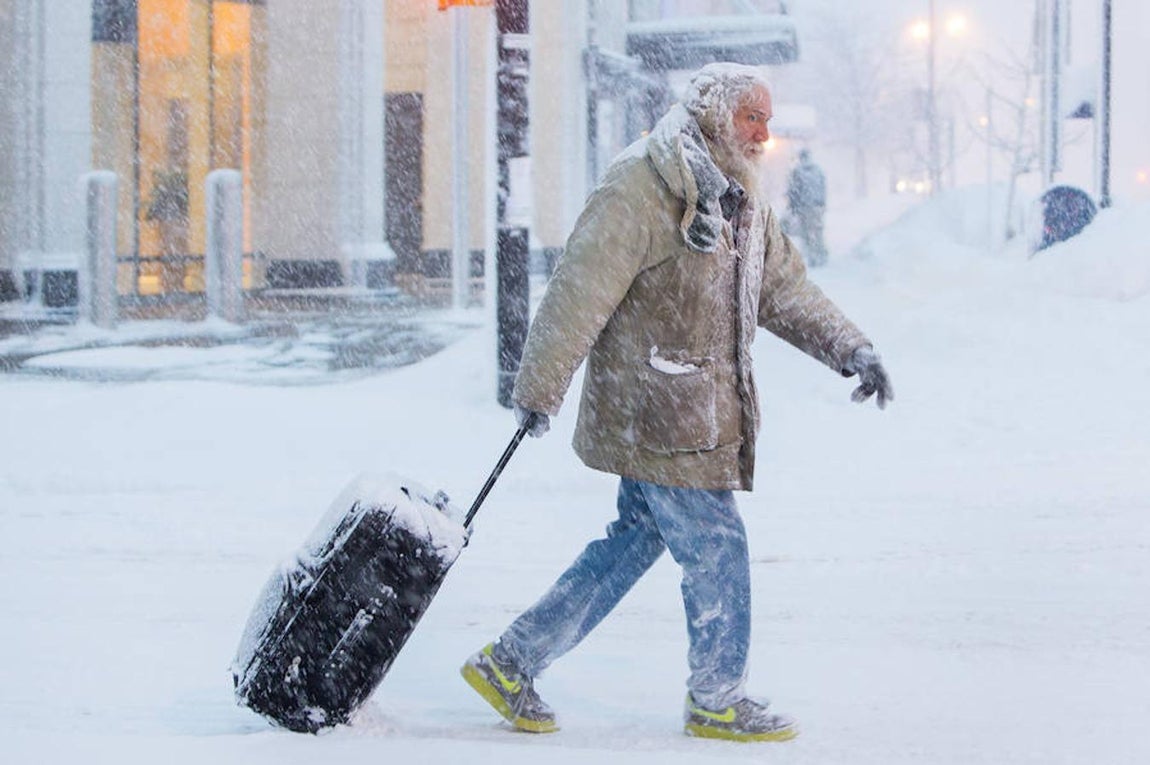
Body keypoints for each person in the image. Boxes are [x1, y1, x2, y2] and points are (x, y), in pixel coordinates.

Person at [460, 63, 893, 743]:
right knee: (718, 545)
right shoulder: (643, 183)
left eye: (768, 119)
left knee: (635, 540)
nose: (763, 132)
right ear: (716, 114)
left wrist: (851, 348)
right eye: (752, 116)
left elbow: (782, 288)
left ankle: (511, 659)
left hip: (694, 406)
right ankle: (718, 696)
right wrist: (541, 386)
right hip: (657, 405)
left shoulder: (740, 195)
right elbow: (580, 288)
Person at [785, 148, 829, 267]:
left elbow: (793, 191)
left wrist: (792, 207)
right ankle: (821, 253)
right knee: (818, 230)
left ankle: (812, 256)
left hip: (804, 207)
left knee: (806, 232)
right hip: (817, 206)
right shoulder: (818, 170)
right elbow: (823, 187)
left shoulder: (797, 171)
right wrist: (822, 203)